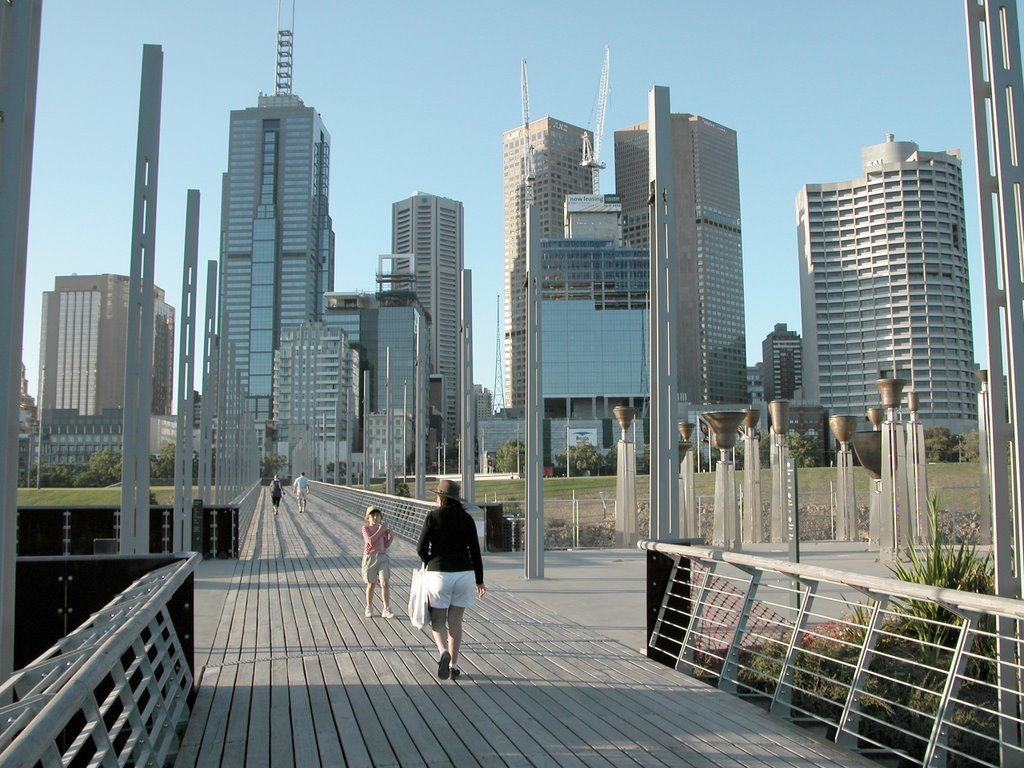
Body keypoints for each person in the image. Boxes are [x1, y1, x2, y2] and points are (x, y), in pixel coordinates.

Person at [416, 479, 485, 681]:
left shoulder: (432, 516)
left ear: (441, 497)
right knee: (455, 621)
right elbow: (475, 552)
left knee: (438, 620)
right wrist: (479, 581)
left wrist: (431, 562)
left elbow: (420, 548)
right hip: (464, 574)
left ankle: (442, 652)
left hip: (439, 574)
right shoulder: (466, 519)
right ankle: (454, 665)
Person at [361, 506, 395, 618]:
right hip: (370, 557)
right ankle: (369, 606)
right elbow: (370, 541)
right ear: (368, 517)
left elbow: (385, 546)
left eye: (378, 515)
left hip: (382, 557)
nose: (375, 517)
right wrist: (381, 529)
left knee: (385, 582)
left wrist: (391, 537)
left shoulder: (382, 529)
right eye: (373, 515)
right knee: (371, 584)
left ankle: (386, 608)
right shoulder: (365, 528)